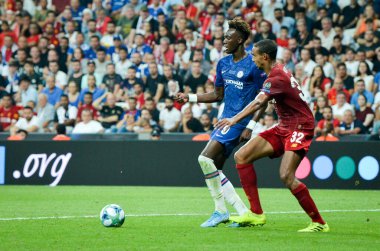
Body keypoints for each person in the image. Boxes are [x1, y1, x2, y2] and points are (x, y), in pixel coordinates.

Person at [216, 39, 329, 232]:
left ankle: (319, 223)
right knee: (242, 156)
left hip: (300, 127)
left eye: (254, 55)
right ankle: (256, 214)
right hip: (284, 125)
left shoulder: (276, 78)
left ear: (265, 57)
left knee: (286, 175)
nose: (251, 58)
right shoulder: (276, 70)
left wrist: (233, 119)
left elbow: (259, 102)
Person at [175, 18, 266, 228]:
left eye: (228, 37)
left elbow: (263, 98)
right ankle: (240, 212)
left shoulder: (253, 64)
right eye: (224, 36)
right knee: (214, 167)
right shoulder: (223, 63)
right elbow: (217, 95)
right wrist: (189, 97)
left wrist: (250, 126)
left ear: (240, 39)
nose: (224, 40)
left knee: (204, 159)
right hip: (225, 121)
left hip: (239, 122)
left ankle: (221, 211)